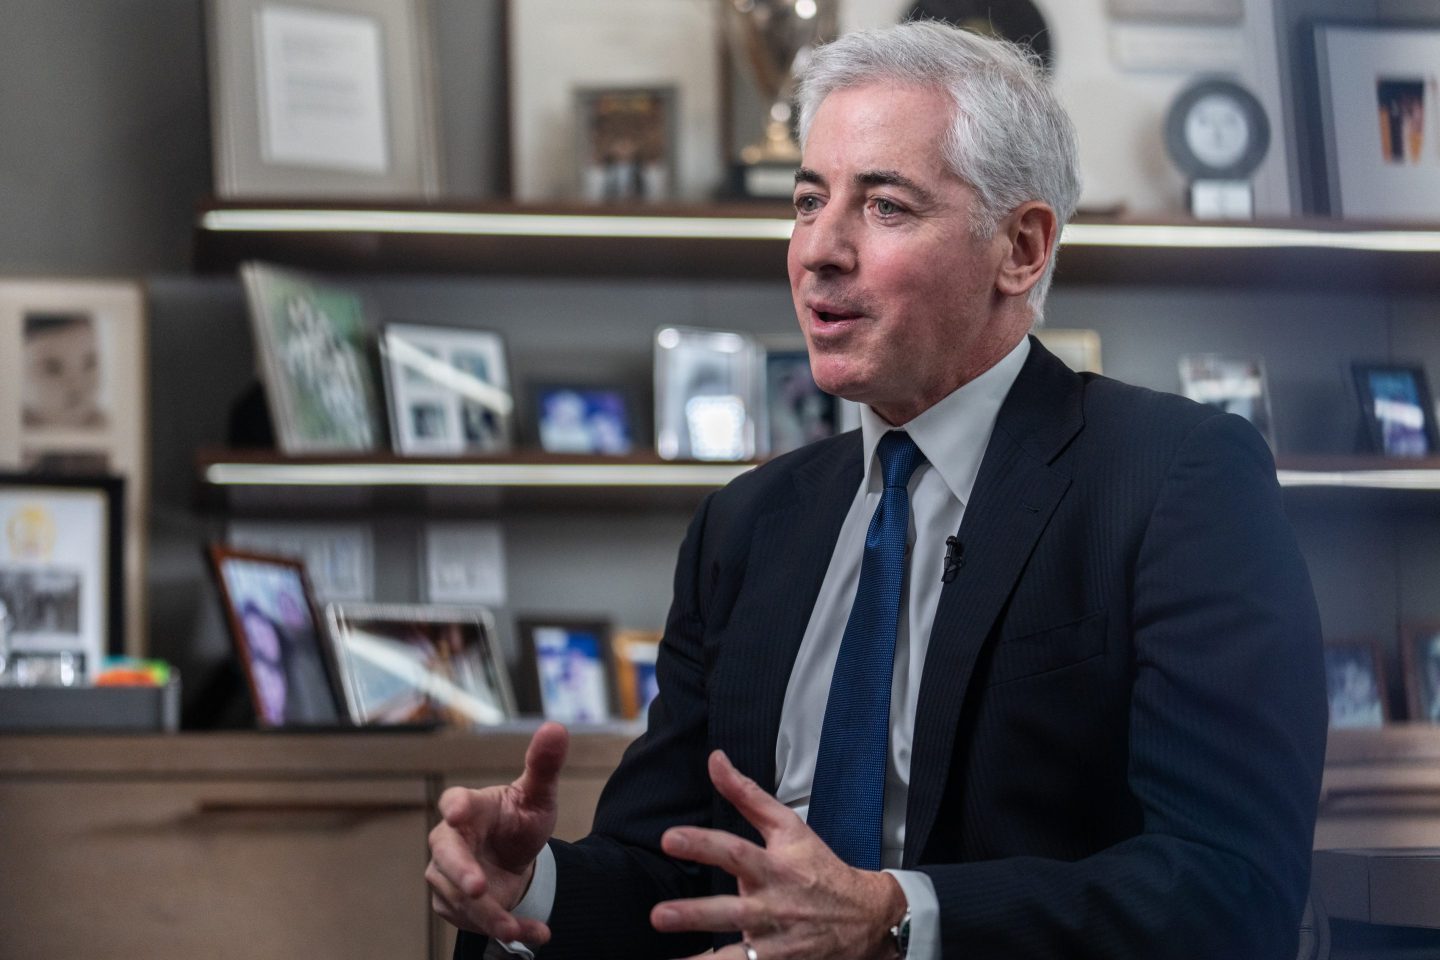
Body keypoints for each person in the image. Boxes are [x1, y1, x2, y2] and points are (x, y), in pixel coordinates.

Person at [428, 20, 1326, 960]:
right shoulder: (745, 525)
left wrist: (896, 921)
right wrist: (535, 881)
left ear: (1020, 248)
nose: (821, 249)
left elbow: (1233, 889)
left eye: (885, 206)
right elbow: (680, 876)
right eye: (809, 201)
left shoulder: (1177, 479)